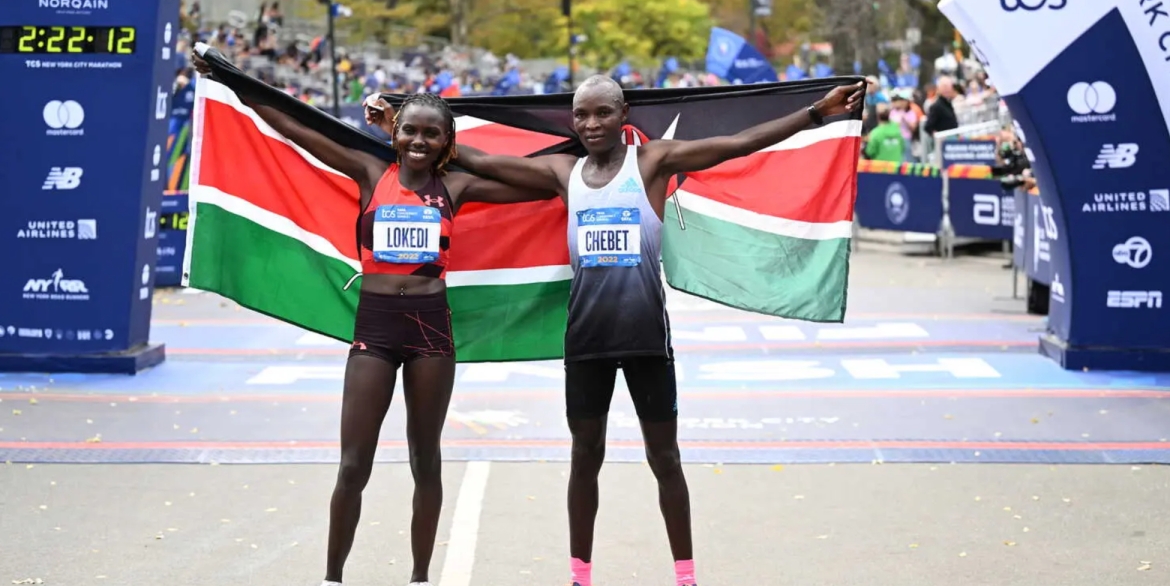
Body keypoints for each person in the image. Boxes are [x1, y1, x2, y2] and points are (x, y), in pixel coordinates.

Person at [448, 74, 863, 586]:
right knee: (585, 458)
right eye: (581, 115)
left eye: (603, 112)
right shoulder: (563, 172)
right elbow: (483, 161)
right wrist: (404, 126)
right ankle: (580, 577)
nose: (591, 124)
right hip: (587, 341)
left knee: (664, 458)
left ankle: (685, 577)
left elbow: (738, 143)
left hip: (645, 338)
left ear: (623, 115)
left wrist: (816, 114)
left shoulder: (651, 162)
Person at [191, 48, 555, 586]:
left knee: (425, 459)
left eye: (432, 134)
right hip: (376, 329)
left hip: (431, 329)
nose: (419, 141)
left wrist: (464, 155)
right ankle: (332, 577)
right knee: (352, 464)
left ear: (446, 141)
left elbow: (542, 182)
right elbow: (295, 129)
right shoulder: (370, 171)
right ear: (394, 133)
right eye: (410, 131)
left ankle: (420, 577)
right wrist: (234, 82)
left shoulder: (457, 186)